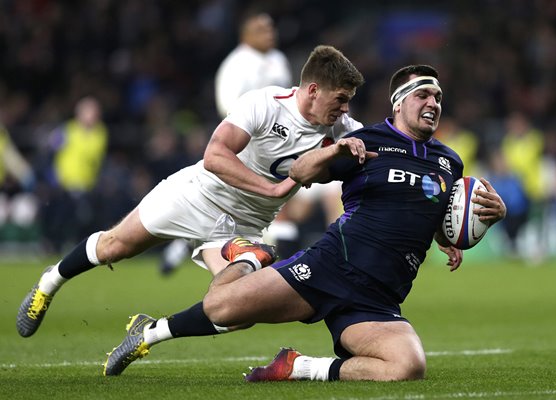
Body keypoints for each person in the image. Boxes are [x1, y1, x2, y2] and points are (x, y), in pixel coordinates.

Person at [102, 65, 506, 380]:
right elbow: (300, 168)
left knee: (407, 366)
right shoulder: (368, 142)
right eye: (423, 94)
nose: (433, 102)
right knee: (222, 308)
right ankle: (158, 325)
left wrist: (470, 226)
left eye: (437, 96)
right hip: (329, 268)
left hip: (380, 297)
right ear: (399, 103)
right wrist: (334, 152)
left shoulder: (449, 162)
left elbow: (440, 214)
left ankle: (298, 367)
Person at [16, 45, 365, 343]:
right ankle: (51, 281)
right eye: (341, 100)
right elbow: (214, 156)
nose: (345, 109)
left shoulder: (343, 130)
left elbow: (378, 145)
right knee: (114, 247)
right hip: (196, 196)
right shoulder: (266, 103)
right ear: (314, 89)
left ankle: (148, 334)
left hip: (243, 227)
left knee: (238, 311)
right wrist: (273, 189)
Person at [159, 11, 293, 275]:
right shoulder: (236, 64)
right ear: (245, 35)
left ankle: (263, 260)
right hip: (246, 145)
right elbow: (228, 107)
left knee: (253, 208)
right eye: (262, 28)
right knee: (223, 205)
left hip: (276, 146)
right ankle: (186, 245)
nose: (270, 33)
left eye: (271, 28)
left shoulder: (278, 59)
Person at [37, 96, 108, 253]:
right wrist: (52, 179)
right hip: (64, 186)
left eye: (95, 112)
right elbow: (49, 154)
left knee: (84, 220)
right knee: (60, 219)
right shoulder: (66, 131)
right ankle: (53, 246)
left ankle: (79, 249)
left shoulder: (101, 133)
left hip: (87, 186)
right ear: (79, 113)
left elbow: (98, 160)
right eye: (89, 112)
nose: (93, 115)